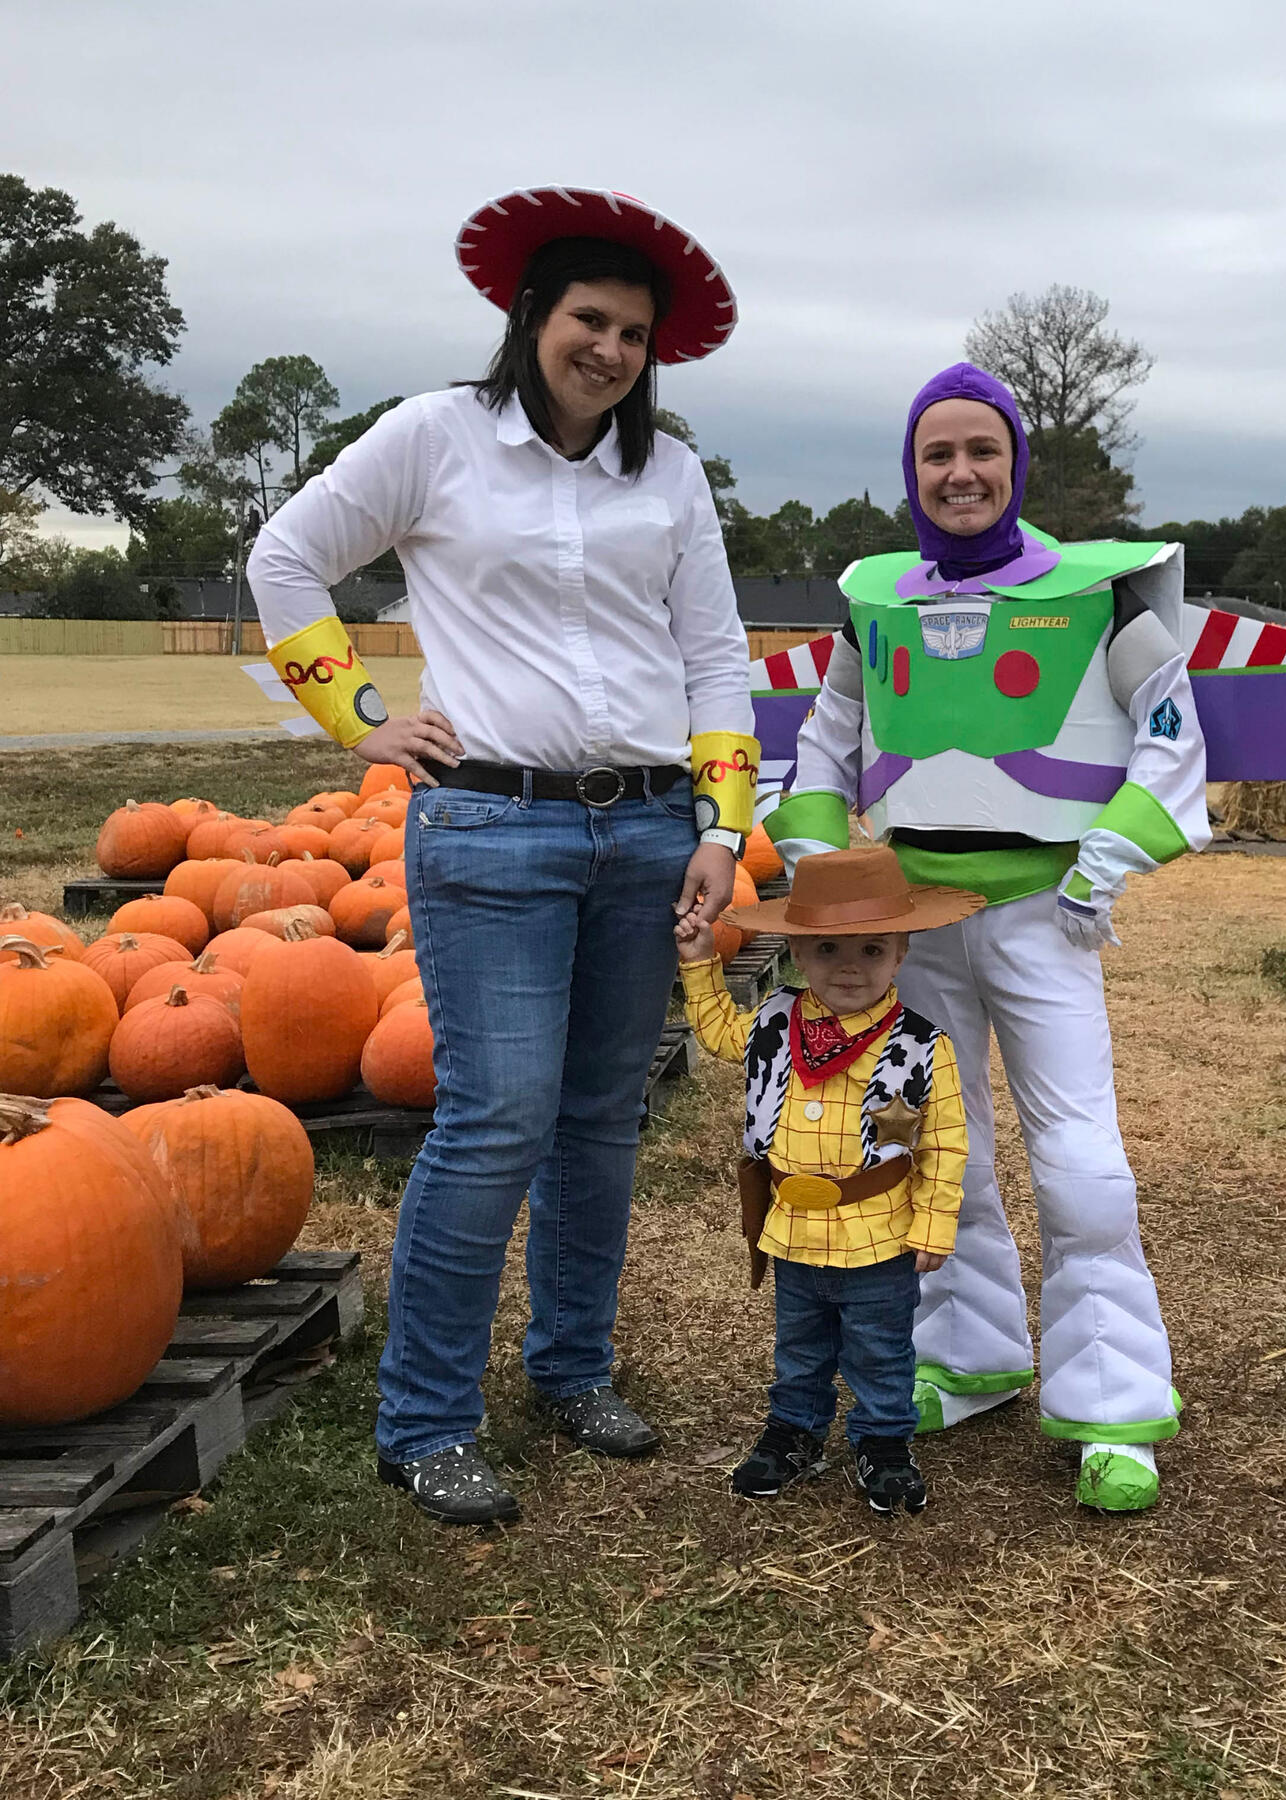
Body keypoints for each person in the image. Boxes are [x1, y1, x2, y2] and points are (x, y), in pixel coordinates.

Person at [247, 187, 760, 1525]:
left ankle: (573, 1369)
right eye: (590, 319)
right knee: (494, 1121)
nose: (609, 350)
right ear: (533, 315)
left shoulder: (669, 474)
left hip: (650, 827)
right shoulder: (436, 438)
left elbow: (714, 657)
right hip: (491, 828)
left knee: (601, 1121)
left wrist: (721, 827)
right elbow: (287, 556)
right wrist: (361, 717)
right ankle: (424, 1419)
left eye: (635, 334)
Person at [765, 363, 1209, 1512]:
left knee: (1080, 1165)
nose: (959, 474)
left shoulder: (1098, 592)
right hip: (913, 922)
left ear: (1014, 463)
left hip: (1042, 914)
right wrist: (818, 864)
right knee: (927, 1144)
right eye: (935, 455)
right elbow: (826, 742)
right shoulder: (877, 599)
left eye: (981, 452)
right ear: (911, 473)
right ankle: (963, 1354)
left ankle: (1111, 1403)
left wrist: (1105, 860)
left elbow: (1170, 738)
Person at [675, 847, 978, 1513]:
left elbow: (945, 1143)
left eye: (871, 951)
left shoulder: (920, 1048)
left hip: (877, 1233)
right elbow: (723, 1035)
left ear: (900, 955)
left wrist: (933, 1223)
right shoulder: (776, 1023)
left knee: (878, 1349)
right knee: (800, 1345)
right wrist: (699, 962)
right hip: (792, 1228)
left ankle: (883, 1442)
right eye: (829, 949)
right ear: (798, 954)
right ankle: (795, 1432)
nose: (848, 967)